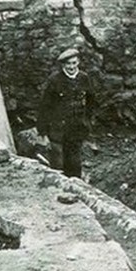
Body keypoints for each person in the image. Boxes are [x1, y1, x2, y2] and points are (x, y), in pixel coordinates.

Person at [36, 48, 95, 178]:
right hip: (58, 130)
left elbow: (91, 100)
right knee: (58, 164)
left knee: (75, 163)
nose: (71, 67)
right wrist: (43, 132)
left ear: (78, 62)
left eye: (74, 63)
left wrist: (86, 120)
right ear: (63, 65)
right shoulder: (54, 80)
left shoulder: (84, 78)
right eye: (68, 64)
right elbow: (44, 107)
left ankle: (76, 190)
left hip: (76, 128)